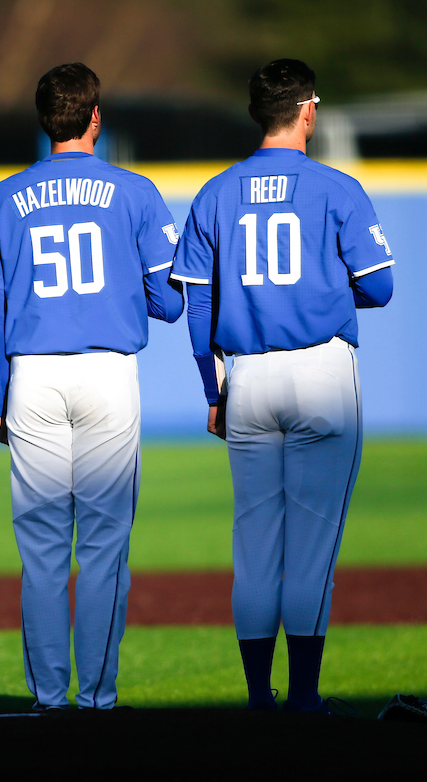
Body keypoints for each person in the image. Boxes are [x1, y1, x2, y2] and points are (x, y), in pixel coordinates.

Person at [171, 58, 394, 713]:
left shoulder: (216, 192)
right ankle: (302, 696)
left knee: (256, 544)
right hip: (321, 371)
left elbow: (198, 309)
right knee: (313, 541)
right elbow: (379, 286)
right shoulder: (337, 187)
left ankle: (256, 697)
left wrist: (213, 392)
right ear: (307, 111)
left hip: (247, 379)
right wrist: (324, 284)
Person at [0, 63, 184, 710]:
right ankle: (95, 697)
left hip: (30, 375)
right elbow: (170, 303)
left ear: (43, 120)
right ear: (95, 117)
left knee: (40, 552)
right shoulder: (136, 191)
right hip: (107, 373)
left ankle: (48, 697)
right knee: (103, 546)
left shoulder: (5, 197)